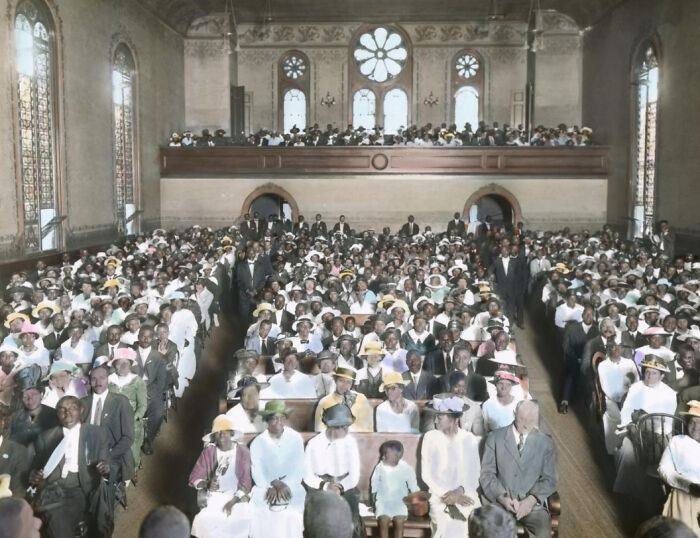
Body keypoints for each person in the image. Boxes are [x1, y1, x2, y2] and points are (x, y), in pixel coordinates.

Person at [29, 395, 111, 538]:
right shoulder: (45, 437)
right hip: (53, 488)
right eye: (62, 410)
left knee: (69, 516)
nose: (67, 413)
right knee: (56, 520)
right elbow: (36, 469)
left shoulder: (97, 433)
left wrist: (105, 468)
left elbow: (107, 462)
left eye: (72, 408)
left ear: (81, 410)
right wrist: (34, 475)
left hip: (81, 486)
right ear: (57, 414)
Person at [480, 400, 557, 538]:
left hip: (531, 506)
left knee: (543, 527)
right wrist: (503, 498)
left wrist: (531, 500)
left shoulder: (545, 443)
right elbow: (487, 475)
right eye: (522, 419)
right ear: (514, 414)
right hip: (499, 503)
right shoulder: (494, 438)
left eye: (532, 420)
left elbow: (549, 480)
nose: (526, 424)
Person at [421, 393, 481, 537]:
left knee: (471, 520)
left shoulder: (469, 439)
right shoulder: (430, 438)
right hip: (439, 495)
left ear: (454, 419)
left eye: (439, 417)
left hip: (466, 494)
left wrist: (460, 491)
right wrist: (447, 495)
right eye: (435, 416)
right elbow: (426, 475)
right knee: (448, 524)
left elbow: (475, 473)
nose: (435, 421)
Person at [189, 415, 253, 538]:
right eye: (218, 433)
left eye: (225, 432)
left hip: (237, 496)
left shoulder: (242, 452)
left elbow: (246, 482)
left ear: (231, 433)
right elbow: (195, 477)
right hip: (215, 497)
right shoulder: (209, 452)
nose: (222, 435)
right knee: (205, 521)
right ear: (214, 437)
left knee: (242, 522)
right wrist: (206, 483)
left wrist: (232, 502)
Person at [304, 404, 362, 538]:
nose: (347, 431)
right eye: (344, 428)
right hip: (319, 488)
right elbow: (307, 474)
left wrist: (340, 488)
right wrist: (325, 486)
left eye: (347, 427)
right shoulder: (314, 444)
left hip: (346, 487)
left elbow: (354, 475)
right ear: (332, 427)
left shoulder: (350, 443)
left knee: (351, 522)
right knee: (319, 522)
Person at [249, 400, 305, 538]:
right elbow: (257, 472)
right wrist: (273, 484)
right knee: (259, 511)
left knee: (292, 514)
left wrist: (285, 484)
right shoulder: (257, 442)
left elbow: (299, 468)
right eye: (274, 418)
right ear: (267, 420)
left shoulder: (295, 438)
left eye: (282, 418)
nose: (278, 422)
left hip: (291, 485)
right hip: (265, 486)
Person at [82, 361, 135, 486]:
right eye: (93, 379)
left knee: (102, 486)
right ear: (89, 381)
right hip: (88, 454)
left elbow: (128, 438)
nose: (98, 382)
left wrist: (108, 457)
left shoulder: (120, 402)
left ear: (108, 380)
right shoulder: (83, 403)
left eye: (102, 378)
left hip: (114, 455)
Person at [658, 401, 700, 535]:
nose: (695, 427)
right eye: (692, 422)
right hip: (683, 492)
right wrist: (686, 484)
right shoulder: (679, 441)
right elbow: (664, 469)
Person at [108, 348, 148, 469]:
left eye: (127, 363)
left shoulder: (137, 381)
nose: (123, 365)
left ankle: (133, 467)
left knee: (131, 450)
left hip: (131, 422)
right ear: (115, 364)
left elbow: (142, 405)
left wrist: (133, 418)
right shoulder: (109, 380)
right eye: (119, 362)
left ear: (131, 364)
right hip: (112, 421)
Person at [370, 440, 420, 538]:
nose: (383, 456)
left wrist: (417, 501)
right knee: (383, 521)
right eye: (383, 454)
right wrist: (373, 500)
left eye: (386, 454)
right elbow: (374, 484)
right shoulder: (380, 467)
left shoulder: (406, 468)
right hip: (383, 502)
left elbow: (413, 486)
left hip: (399, 503)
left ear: (398, 455)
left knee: (399, 521)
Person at [597, 342, 639, 454]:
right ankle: (615, 450)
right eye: (612, 347)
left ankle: (632, 450)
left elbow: (636, 381)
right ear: (608, 349)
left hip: (629, 398)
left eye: (618, 346)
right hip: (612, 399)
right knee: (616, 417)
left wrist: (628, 398)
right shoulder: (603, 365)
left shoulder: (629, 363)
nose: (615, 349)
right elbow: (606, 387)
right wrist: (619, 400)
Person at [314, 367, 373, 432]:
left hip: (356, 438)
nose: (344, 385)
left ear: (352, 384)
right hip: (332, 437)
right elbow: (318, 428)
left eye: (348, 382)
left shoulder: (361, 399)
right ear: (335, 381)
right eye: (341, 380)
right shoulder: (324, 401)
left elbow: (368, 426)